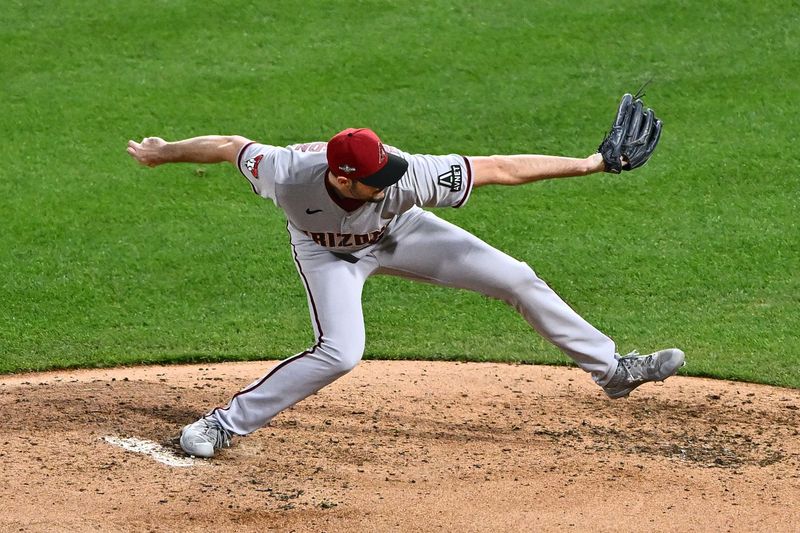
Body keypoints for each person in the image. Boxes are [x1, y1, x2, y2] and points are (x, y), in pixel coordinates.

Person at [126, 127, 685, 458]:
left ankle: (614, 370)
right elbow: (227, 146)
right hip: (327, 254)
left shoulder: (408, 176)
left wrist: (590, 164)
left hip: (400, 235)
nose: (394, 178)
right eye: (378, 177)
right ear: (342, 178)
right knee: (341, 352)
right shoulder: (285, 171)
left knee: (516, 277)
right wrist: (163, 151)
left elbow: (500, 169)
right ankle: (224, 424)